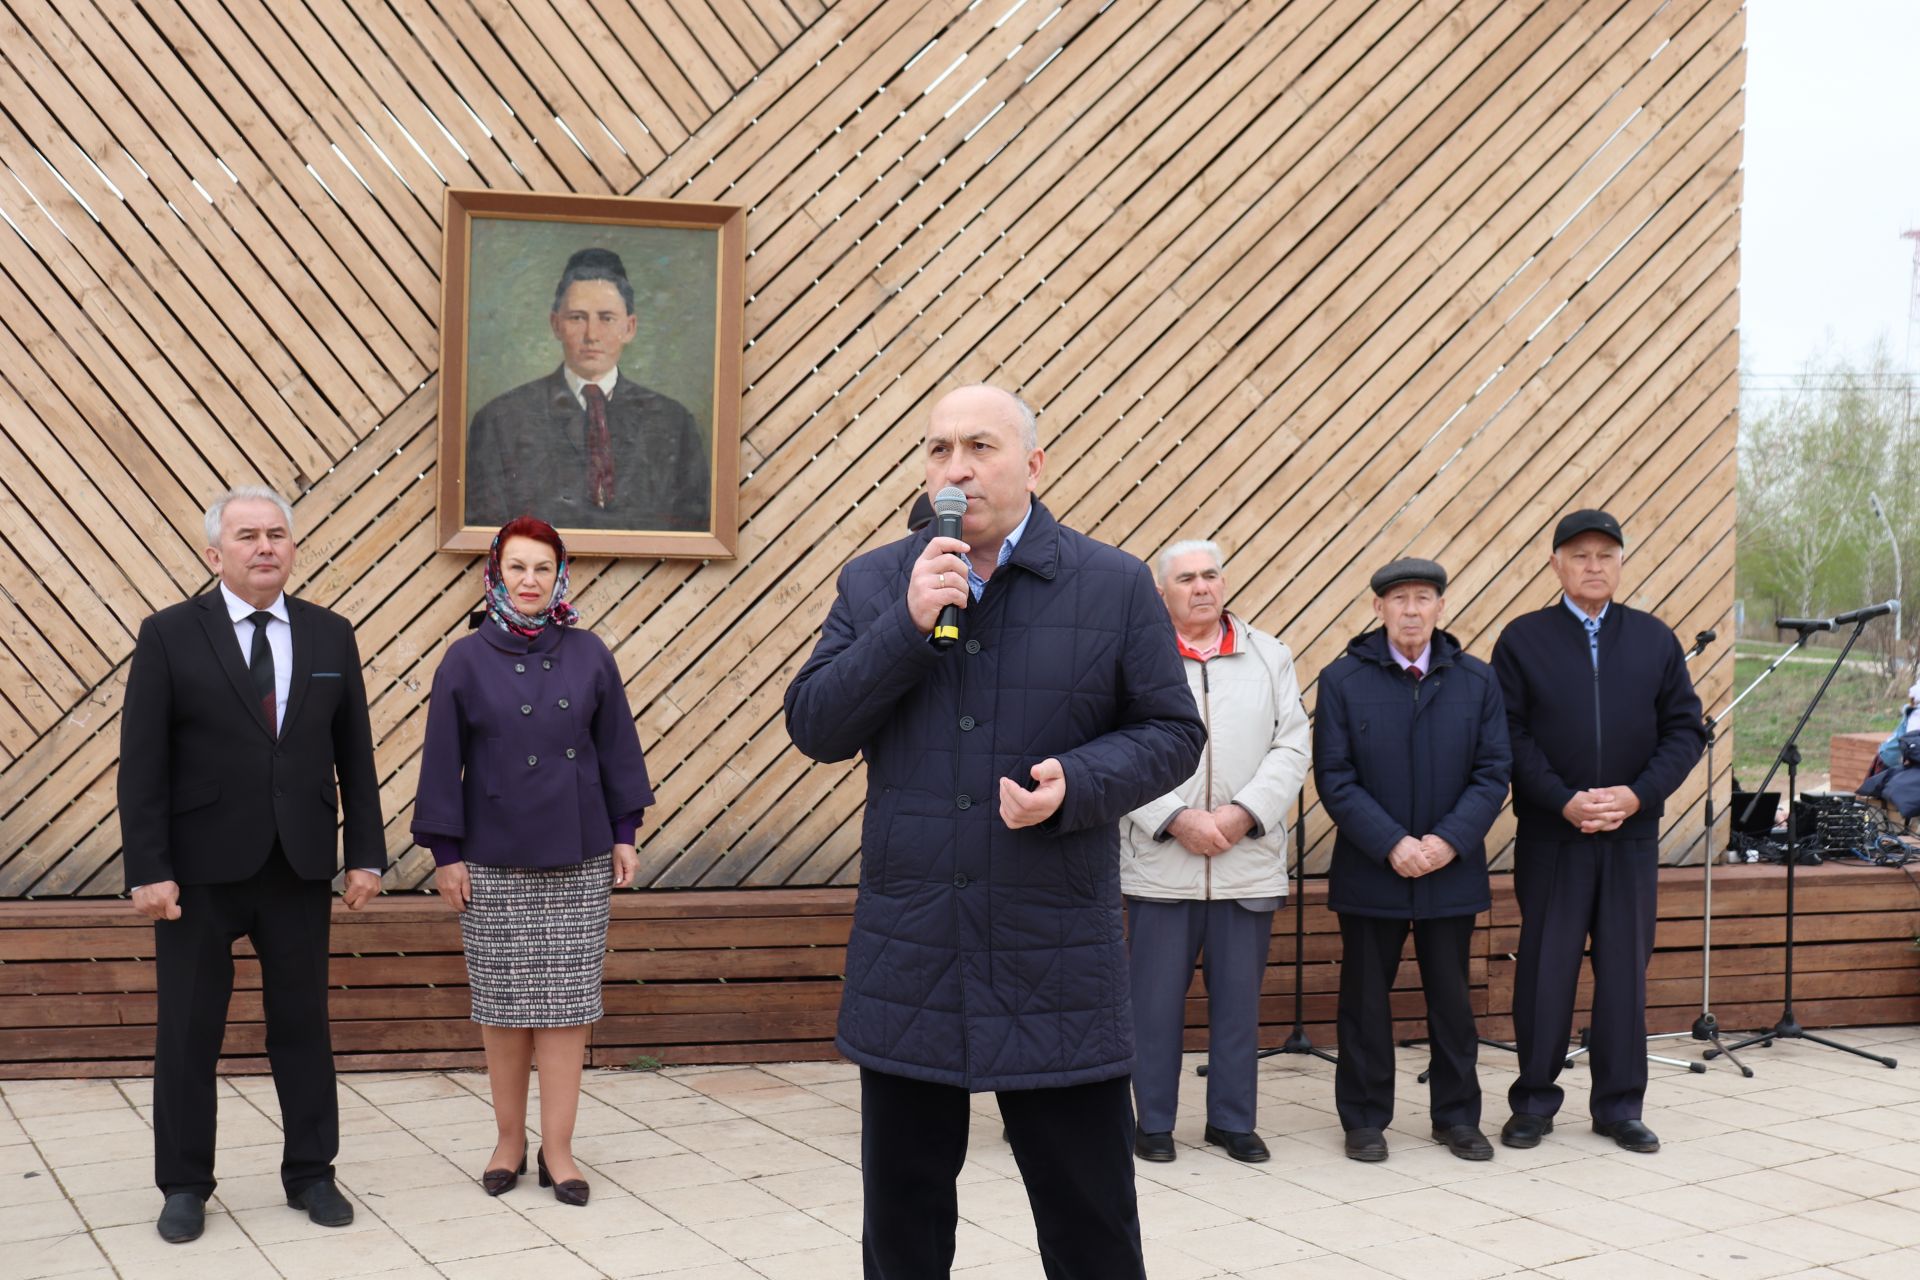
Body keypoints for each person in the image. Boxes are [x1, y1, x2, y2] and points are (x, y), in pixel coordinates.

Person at [784, 385, 1205, 1280]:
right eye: (939, 450)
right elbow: (816, 726)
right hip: (914, 950)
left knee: (1088, 1216)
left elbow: (1173, 732)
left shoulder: (1114, 581)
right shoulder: (876, 581)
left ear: (1033, 464)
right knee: (903, 1220)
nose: (956, 467)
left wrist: (1079, 782)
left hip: (1053, 950)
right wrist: (904, 625)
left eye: (979, 445)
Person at [118, 485, 386, 1244]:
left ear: (292, 547)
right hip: (197, 873)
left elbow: (355, 757)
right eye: (247, 536)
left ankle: (311, 1174)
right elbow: (142, 764)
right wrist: (149, 867)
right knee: (189, 1032)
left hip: (297, 867)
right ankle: (184, 1185)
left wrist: (364, 852)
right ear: (215, 554)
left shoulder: (331, 635)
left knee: (301, 1027)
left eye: (276, 534)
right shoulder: (169, 634)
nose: (265, 546)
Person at [411, 516, 655, 1205]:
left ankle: (560, 1149)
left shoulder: (589, 653)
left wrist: (624, 832)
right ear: (494, 574)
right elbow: (441, 763)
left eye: (542, 568)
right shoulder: (464, 658)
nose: (529, 581)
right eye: (516, 567)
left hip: (576, 856)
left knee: (567, 1006)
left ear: (559, 577)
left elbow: (617, 749)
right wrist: (446, 855)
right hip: (492, 857)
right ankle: (508, 1141)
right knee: (503, 1005)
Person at [1493, 510, 1704, 1154]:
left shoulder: (1653, 639)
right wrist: (1564, 801)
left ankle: (1619, 1106)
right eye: (1580, 555)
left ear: (1620, 564)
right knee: (1545, 970)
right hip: (1554, 837)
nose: (1594, 565)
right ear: (1556, 563)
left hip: (1630, 837)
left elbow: (1684, 731)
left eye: (1606, 555)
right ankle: (1533, 1101)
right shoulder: (1522, 640)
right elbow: (1508, 734)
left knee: (1623, 974)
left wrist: (1636, 795)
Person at [1314, 558, 1511, 1163]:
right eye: (1398, 599)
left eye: (1423, 598)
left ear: (1440, 607)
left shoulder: (1476, 682)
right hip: (1372, 869)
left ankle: (1456, 1118)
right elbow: (1335, 775)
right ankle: (1365, 1119)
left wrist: (1448, 841)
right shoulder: (1343, 680)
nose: (1411, 610)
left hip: (1450, 872)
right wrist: (1392, 842)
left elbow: (1492, 771)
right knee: (1366, 1000)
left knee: (1453, 1002)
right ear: (1378, 609)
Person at [1121, 539, 1309, 1164]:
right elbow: (1113, 746)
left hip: (1244, 861)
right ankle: (1152, 1123)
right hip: (1160, 866)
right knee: (1152, 1008)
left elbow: (1291, 748)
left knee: (1237, 1007)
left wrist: (1239, 815)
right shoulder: (1133, 656)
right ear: (1162, 592)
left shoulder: (1270, 656)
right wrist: (1173, 818)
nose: (1201, 587)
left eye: (1211, 576)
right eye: (1186, 579)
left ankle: (1231, 1121)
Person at [465, 248, 710, 532]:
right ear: (555, 325)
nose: (592, 335)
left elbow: (694, 532)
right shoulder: (501, 421)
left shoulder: (673, 423)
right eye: (577, 318)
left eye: (606, 318)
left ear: (629, 328)